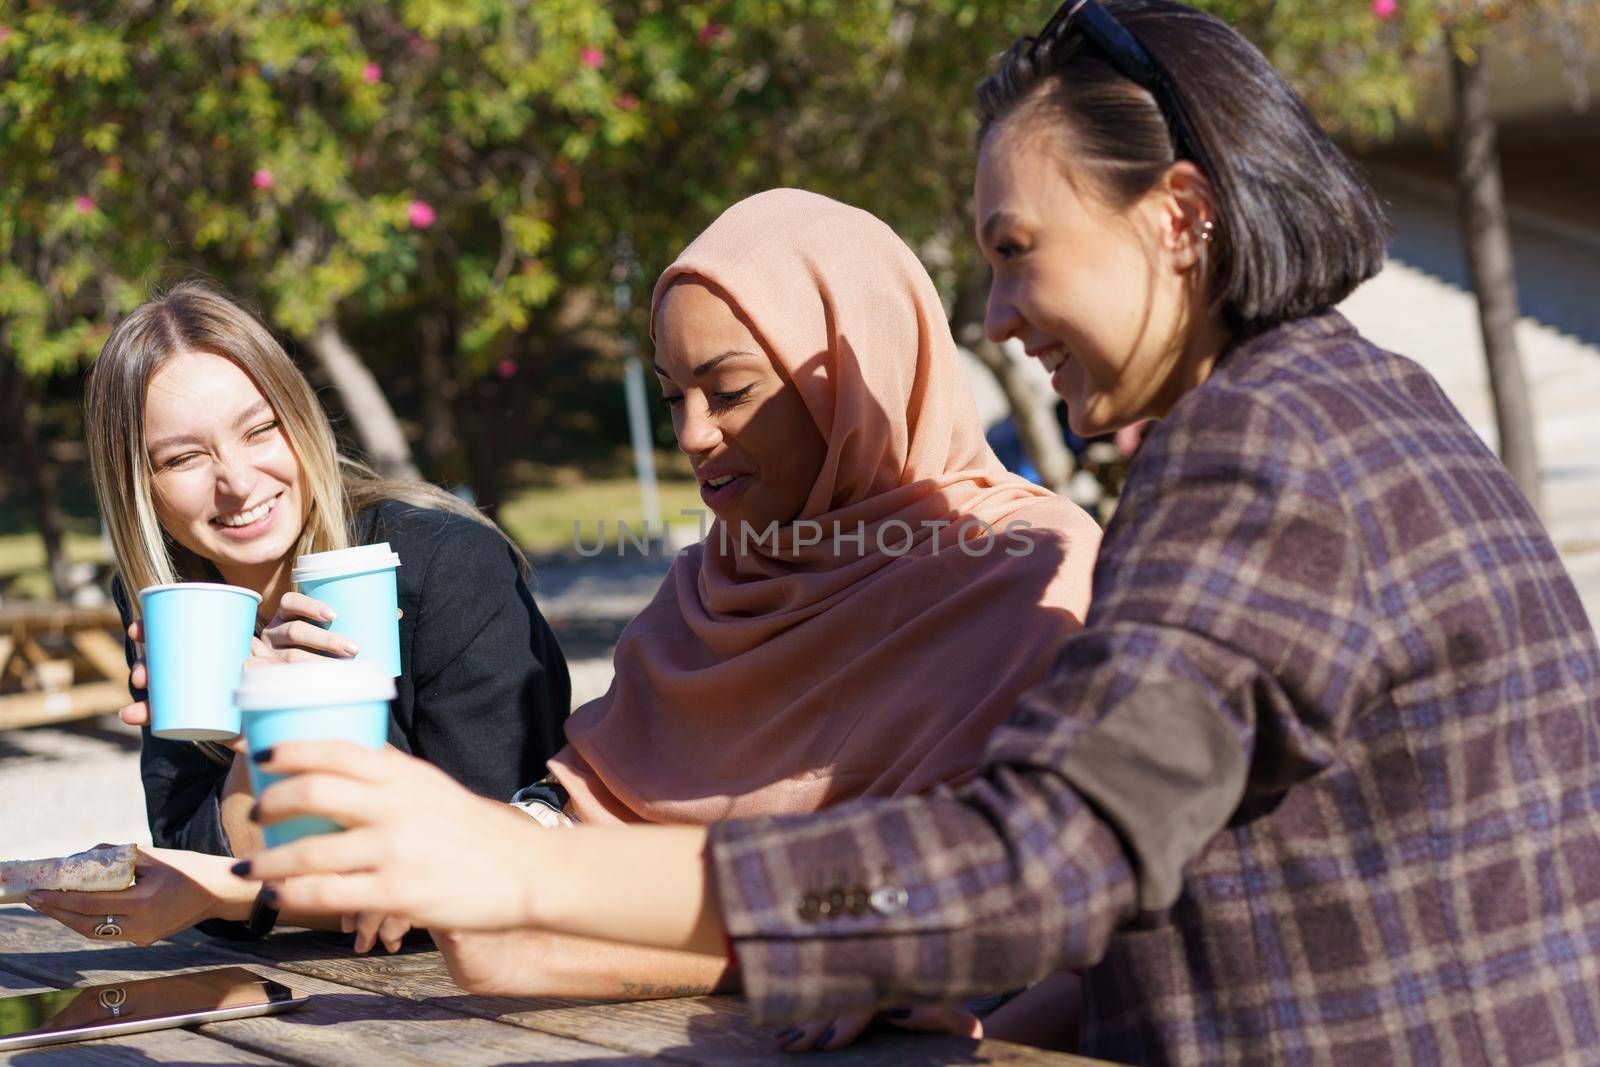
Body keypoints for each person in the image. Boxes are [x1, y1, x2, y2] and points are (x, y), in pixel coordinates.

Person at [234, 1, 1600, 1061]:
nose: (995, 316)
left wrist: (523, 863)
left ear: (1179, 216)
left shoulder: (1259, 453)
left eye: (1017, 249)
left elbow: (1037, 861)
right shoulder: (1362, 402)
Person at [435, 187, 1103, 999]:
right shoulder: (711, 590)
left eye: (730, 390)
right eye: (671, 396)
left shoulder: (1026, 571)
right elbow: (587, 804)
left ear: (853, 379)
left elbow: (967, 911)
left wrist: (563, 950)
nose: (692, 435)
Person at [26, 280, 570, 951]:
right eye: (185, 457)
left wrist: (306, 722)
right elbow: (196, 864)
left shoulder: (448, 565)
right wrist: (255, 748)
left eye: (260, 429)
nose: (239, 480)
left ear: (299, 416)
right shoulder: (169, 600)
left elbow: (503, 857)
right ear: (140, 485)